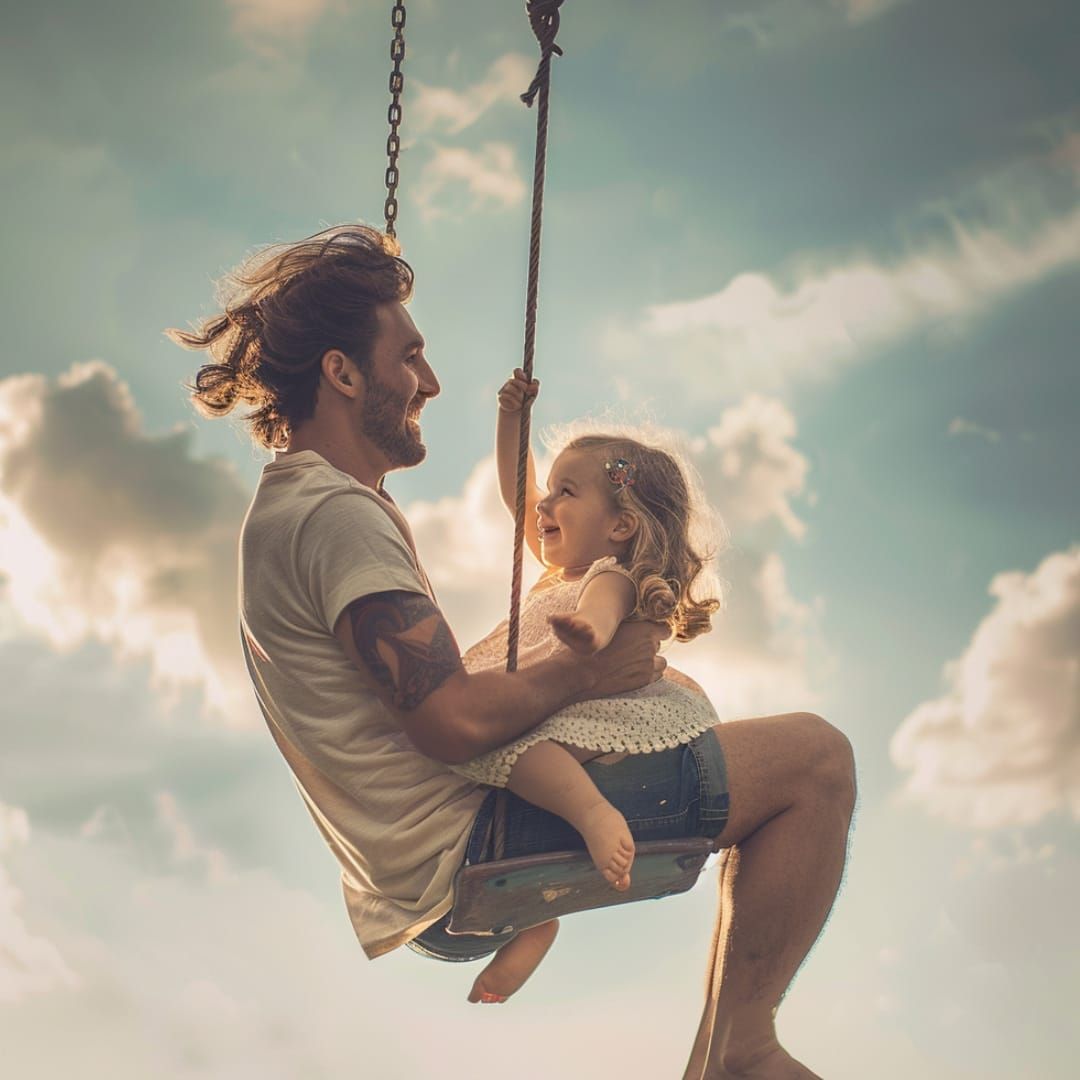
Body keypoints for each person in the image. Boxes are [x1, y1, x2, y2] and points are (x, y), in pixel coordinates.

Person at [168, 224, 856, 1080]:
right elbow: (453, 723)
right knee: (816, 764)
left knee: (785, 764)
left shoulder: (298, 509)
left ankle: (721, 1059)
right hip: (473, 841)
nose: (430, 381)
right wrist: (591, 668)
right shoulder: (332, 516)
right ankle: (741, 1052)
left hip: (417, 877)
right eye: (409, 357)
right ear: (341, 373)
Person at [446, 368, 726, 1003]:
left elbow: (604, 609)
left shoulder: (606, 574)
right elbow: (517, 496)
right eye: (551, 491)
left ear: (621, 525)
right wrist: (512, 420)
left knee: (514, 753)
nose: (545, 507)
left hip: (592, 713)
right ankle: (538, 919)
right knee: (510, 766)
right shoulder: (556, 569)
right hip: (556, 701)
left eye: (566, 493)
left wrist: (587, 640)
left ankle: (595, 815)